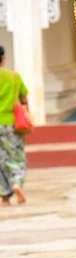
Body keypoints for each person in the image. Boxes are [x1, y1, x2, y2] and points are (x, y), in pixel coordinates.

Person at [0, 46, 29, 206]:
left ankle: (4, 195)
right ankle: (17, 183)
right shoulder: (13, 76)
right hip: (11, 124)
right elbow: (24, 99)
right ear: (3, 58)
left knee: (1, 160)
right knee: (16, 157)